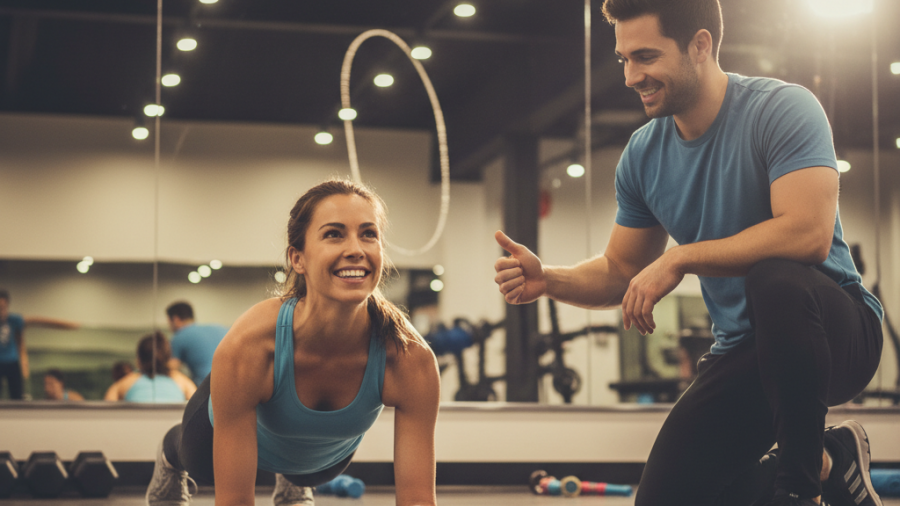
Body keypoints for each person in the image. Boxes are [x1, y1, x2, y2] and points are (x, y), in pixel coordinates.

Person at [493, 1, 884, 505]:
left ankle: (799, 491)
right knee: (666, 498)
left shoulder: (782, 108)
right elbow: (620, 270)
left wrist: (680, 257)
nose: (633, 76)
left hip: (835, 333)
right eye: (624, 59)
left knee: (776, 279)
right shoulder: (643, 155)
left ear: (700, 45)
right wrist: (549, 280)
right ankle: (830, 460)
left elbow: (806, 235)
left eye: (647, 57)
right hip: (745, 352)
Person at [145, 179, 441, 506]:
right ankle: (169, 456)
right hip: (219, 437)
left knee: (311, 473)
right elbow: (235, 502)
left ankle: (291, 482)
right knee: (195, 458)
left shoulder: (410, 358)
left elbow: (417, 501)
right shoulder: (252, 344)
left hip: (318, 462)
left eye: (369, 233)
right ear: (297, 259)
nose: (356, 249)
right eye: (334, 234)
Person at [0, 289, 80, 400]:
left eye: (3, 308)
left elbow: (39, 320)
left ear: (7, 306)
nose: (1, 311)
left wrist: (69, 325)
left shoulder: (14, 320)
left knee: (17, 395)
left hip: (12, 362)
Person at [104, 332, 196, 403]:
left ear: (139, 360)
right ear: (168, 359)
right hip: (173, 425)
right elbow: (197, 408)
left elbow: (107, 408)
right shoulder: (181, 381)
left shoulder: (127, 382)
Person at [165, 301, 228, 384]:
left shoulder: (179, 336)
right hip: (231, 384)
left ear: (176, 319)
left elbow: (170, 368)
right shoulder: (219, 328)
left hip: (208, 388)